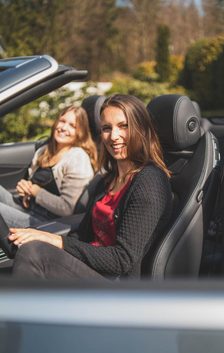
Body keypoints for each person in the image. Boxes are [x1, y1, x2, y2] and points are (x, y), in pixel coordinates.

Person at [9, 94, 173, 280]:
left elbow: (122, 260)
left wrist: (56, 241)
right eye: (106, 128)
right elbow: (84, 236)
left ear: (141, 129)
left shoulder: (150, 182)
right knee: (32, 248)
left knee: (34, 254)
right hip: (92, 267)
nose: (114, 136)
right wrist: (48, 239)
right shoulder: (107, 181)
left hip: (118, 283)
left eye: (123, 126)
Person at [0, 105, 97, 227]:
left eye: (72, 126)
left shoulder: (77, 158)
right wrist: (25, 191)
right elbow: (32, 184)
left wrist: (35, 191)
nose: (63, 127)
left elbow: (67, 208)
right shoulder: (44, 150)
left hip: (47, 223)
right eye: (62, 121)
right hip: (27, 208)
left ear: (80, 132)